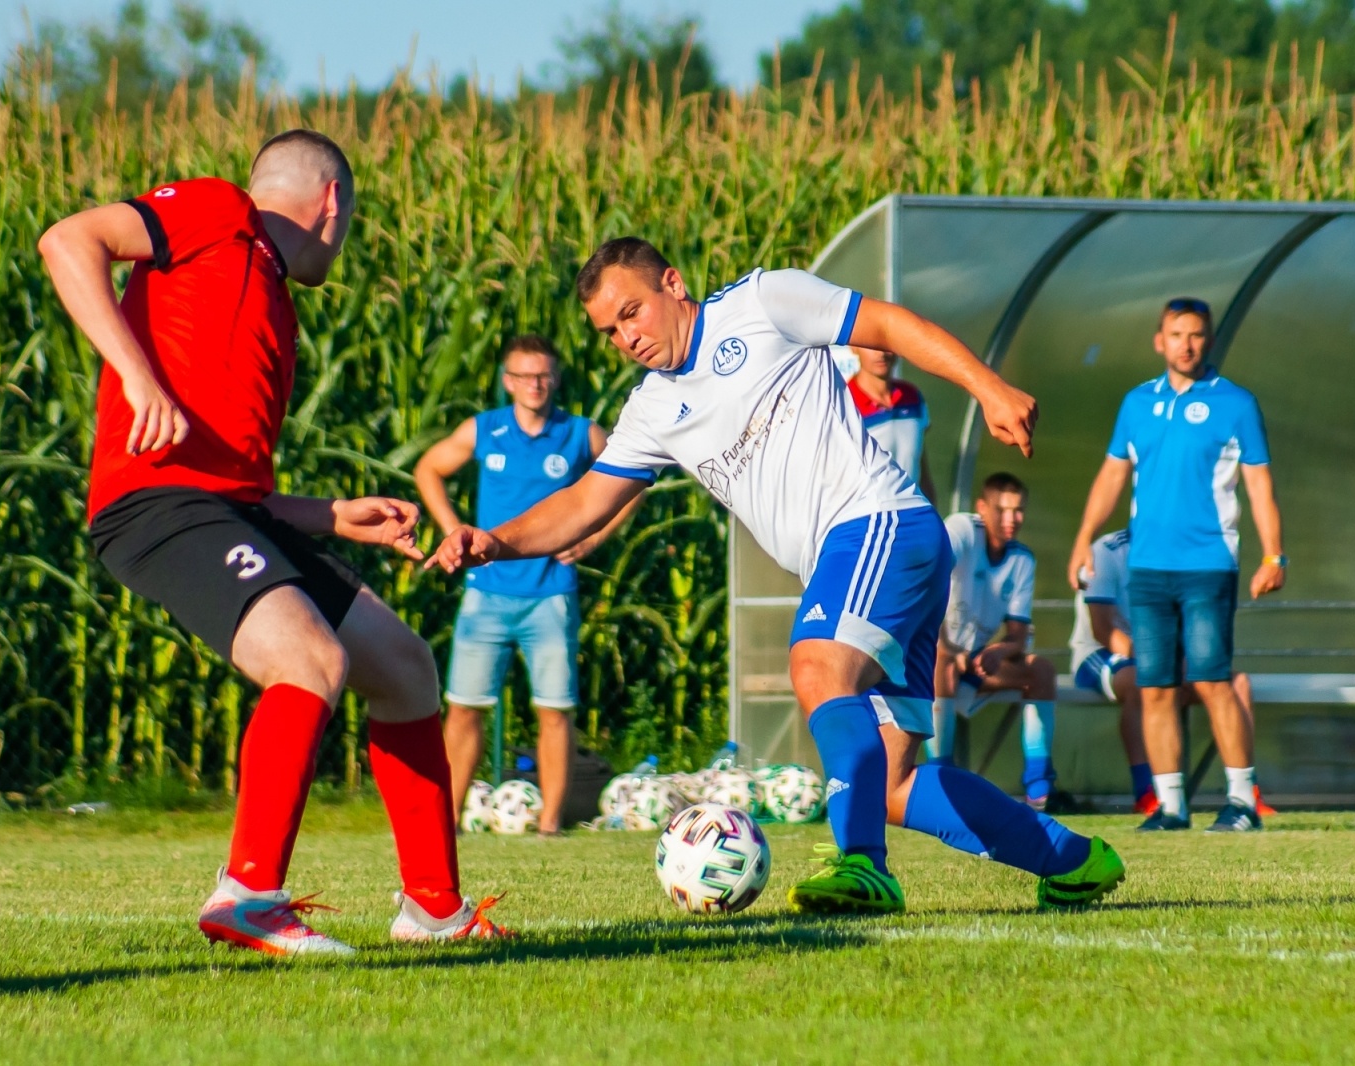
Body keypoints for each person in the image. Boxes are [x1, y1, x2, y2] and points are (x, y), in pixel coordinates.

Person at [428, 237, 1126, 914]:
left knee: (816, 666)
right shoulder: (651, 409)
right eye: (610, 331)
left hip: (878, 522)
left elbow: (886, 323)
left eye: (631, 313)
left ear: (672, 284)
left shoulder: (763, 302)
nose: (625, 338)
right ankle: (1072, 862)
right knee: (888, 781)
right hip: (869, 554)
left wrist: (988, 387)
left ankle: (862, 867)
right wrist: (493, 541)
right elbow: (585, 502)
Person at [39, 130, 502, 955]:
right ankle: (248, 893)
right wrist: (136, 375)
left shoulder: (270, 300)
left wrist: (331, 515)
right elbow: (68, 239)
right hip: (153, 504)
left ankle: (435, 910)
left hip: (224, 512)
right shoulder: (223, 211)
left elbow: (240, 493)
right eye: (350, 219)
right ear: (332, 204)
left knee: (403, 669)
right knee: (309, 661)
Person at [1067, 296, 1286, 833]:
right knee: (1156, 687)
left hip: (1208, 565)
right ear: (1158, 340)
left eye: (1196, 335)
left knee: (1212, 680)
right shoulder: (1137, 404)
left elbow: (1259, 484)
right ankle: (1170, 806)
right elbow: (1112, 475)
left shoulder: (1235, 403)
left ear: (1208, 341)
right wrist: (1083, 539)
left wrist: (1273, 553)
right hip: (1148, 569)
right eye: (1176, 334)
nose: (1186, 345)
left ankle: (1241, 802)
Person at [414, 334, 634, 835]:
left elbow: (632, 480)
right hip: (486, 593)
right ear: (508, 381)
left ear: (555, 378)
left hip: (551, 593)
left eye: (543, 375)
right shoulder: (484, 430)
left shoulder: (580, 434)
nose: (534, 384)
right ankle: (444, 825)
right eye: (524, 376)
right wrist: (452, 528)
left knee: (555, 711)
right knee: (464, 707)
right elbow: (428, 468)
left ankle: (550, 826)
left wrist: (596, 535)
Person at [1071, 529, 1275, 817]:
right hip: (1102, 654)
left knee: (1236, 683)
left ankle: (1246, 793)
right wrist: (1160, 660)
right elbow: (1103, 630)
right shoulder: (1107, 551)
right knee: (1143, 683)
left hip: (1164, 655)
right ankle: (1147, 793)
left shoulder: (1184, 549)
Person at [925, 473, 1062, 809]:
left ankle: (1039, 788)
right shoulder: (960, 530)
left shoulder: (1022, 559)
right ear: (981, 509)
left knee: (1042, 671)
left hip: (974, 664)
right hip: (929, 659)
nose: (1011, 519)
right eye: (1002, 510)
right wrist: (947, 649)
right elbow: (927, 582)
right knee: (939, 664)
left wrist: (1001, 650)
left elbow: (1017, 635)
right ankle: (940, 781)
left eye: (1018, 511)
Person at [846, 345, 936, 500]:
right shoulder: (844, 403)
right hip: (868, 518)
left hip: (912, 514)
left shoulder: (913, 396)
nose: (881, 353)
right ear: (853, 348)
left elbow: (920, 464)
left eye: (886, 343)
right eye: (870, 345)